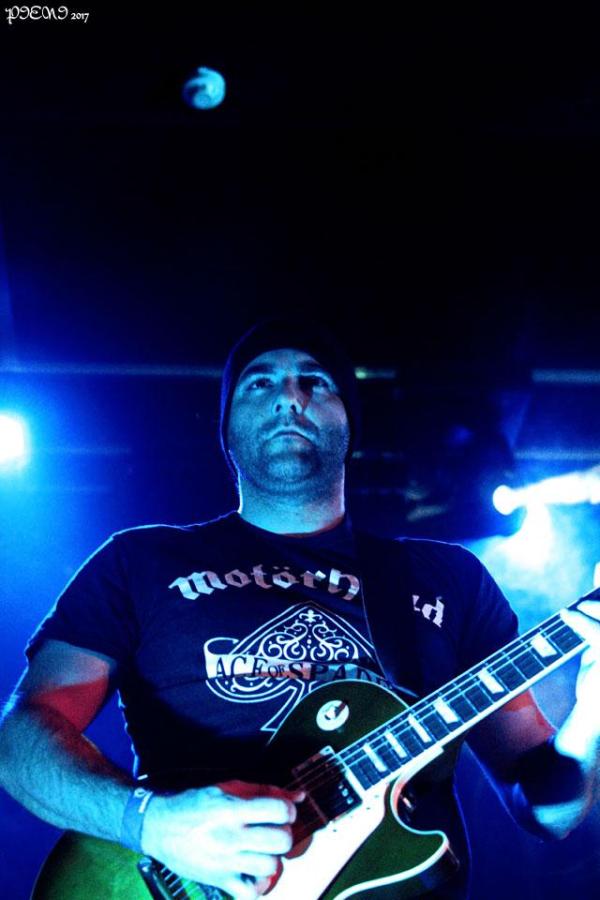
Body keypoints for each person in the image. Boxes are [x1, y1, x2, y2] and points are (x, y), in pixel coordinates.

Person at [0, 318, 599, 900]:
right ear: (227, 429)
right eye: (259, 382)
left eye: (316, 381)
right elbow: (21, 738)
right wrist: (151, 823)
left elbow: (546, 812)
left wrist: (593, 710)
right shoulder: (139, 562)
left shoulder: (451, 579)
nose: (290, 396)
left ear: (351, 423)